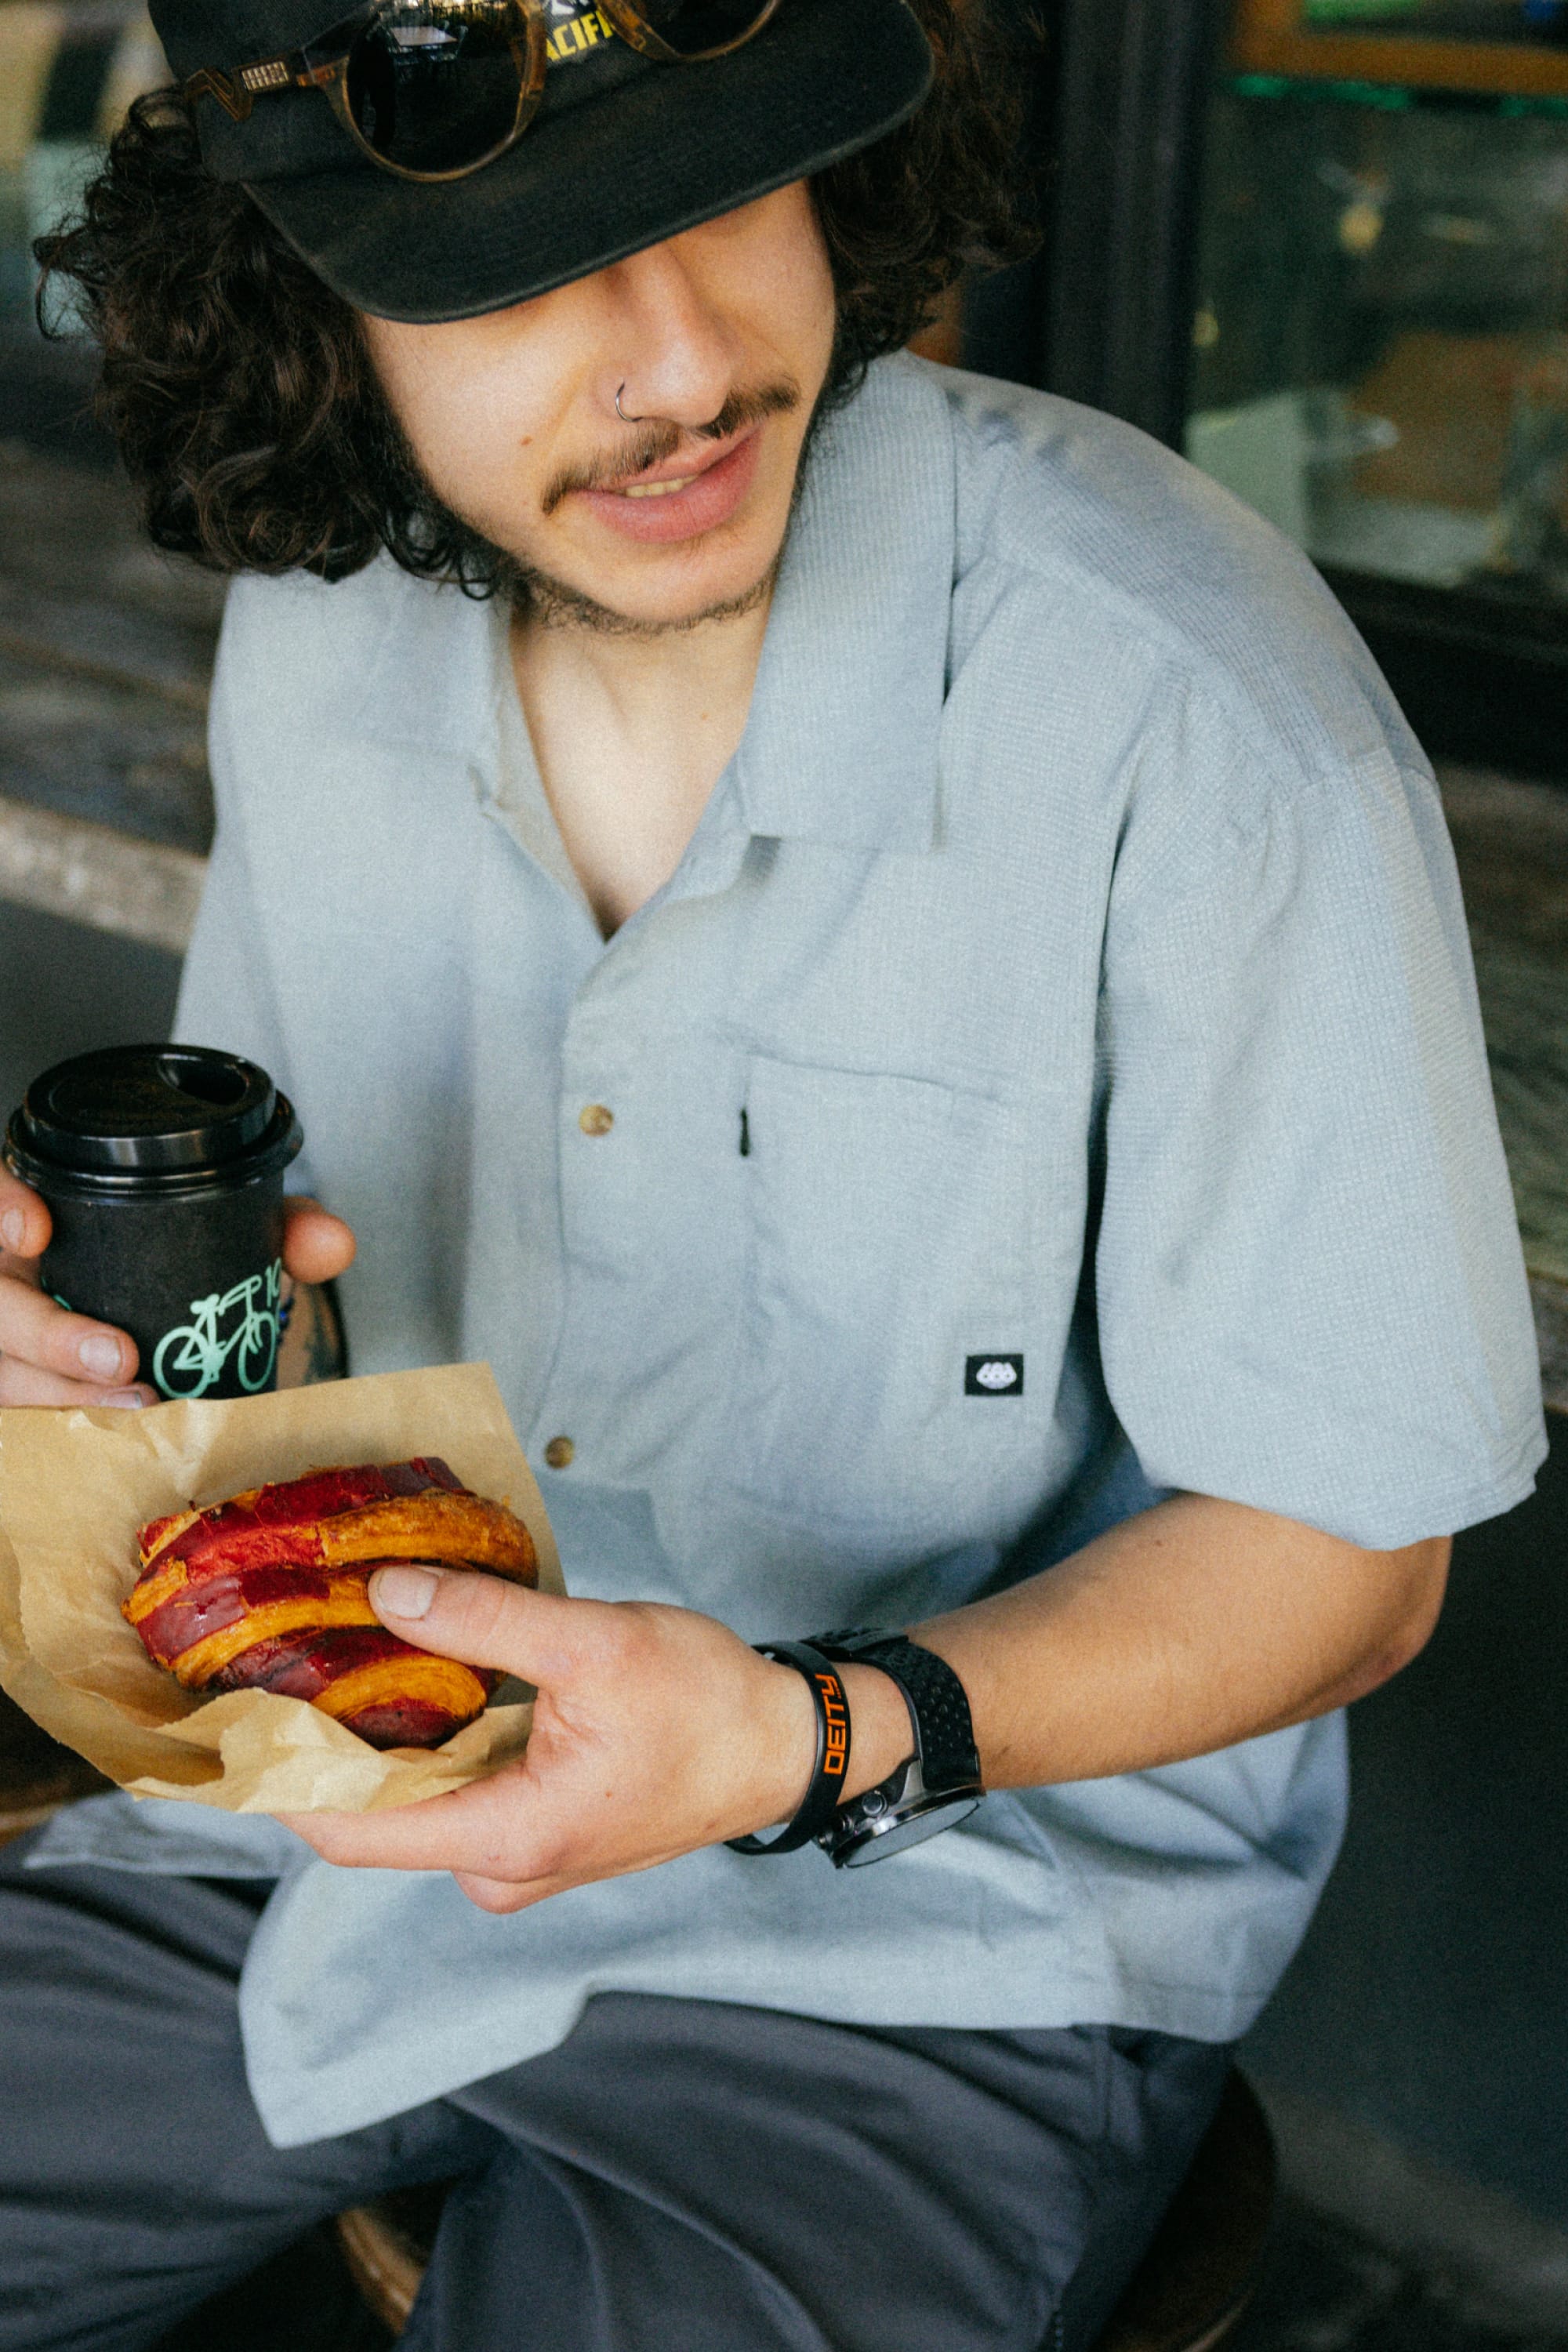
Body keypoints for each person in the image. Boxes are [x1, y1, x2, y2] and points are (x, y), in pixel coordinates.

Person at [0, 0, 1547, 2340]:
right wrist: (114, 1355)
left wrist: (811, 1735)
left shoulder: (1189, 707)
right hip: (353, 1799)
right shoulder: (319, 636)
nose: (675, 358)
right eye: (521, 264)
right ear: (311, 301)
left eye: (723, 187)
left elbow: (1357, 1562)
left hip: (938, 1930)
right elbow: (309, 1323)